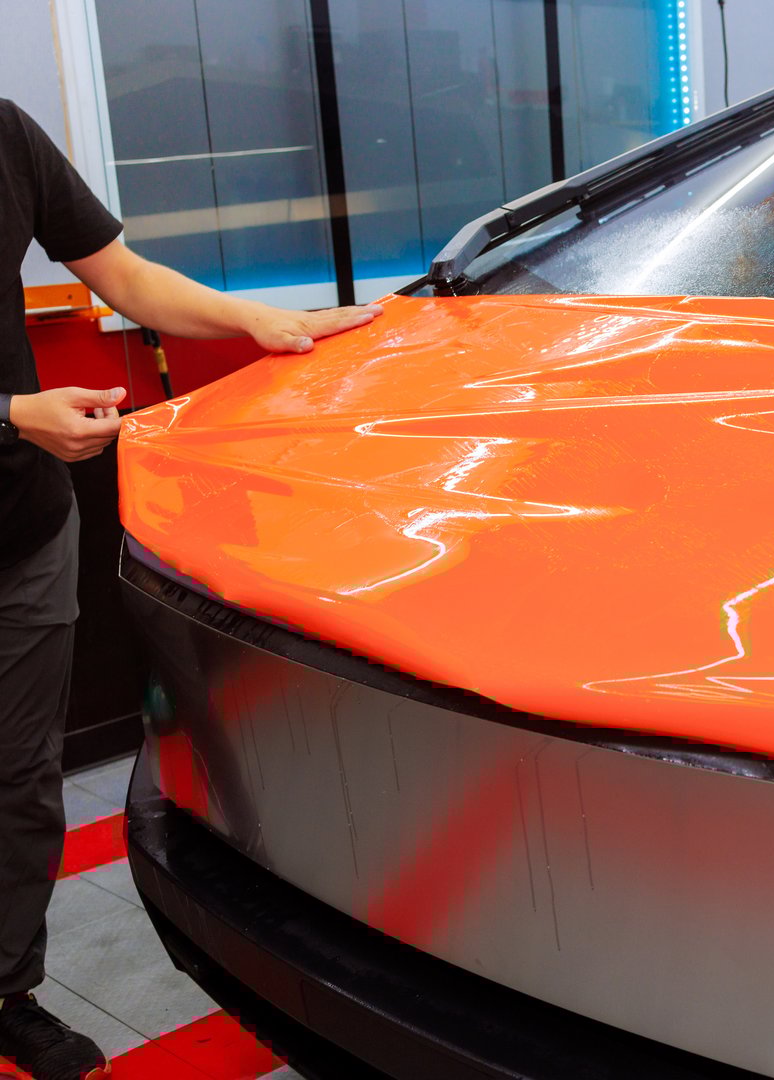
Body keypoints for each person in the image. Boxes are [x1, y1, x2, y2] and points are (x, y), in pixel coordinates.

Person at [0, 97, 381, 1080]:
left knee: (20, 786)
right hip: (18, 447)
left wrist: (268, 319)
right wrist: (8, 414)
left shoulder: (5, 132)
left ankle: (6, 990)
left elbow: (123, 277)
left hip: (23, 534)